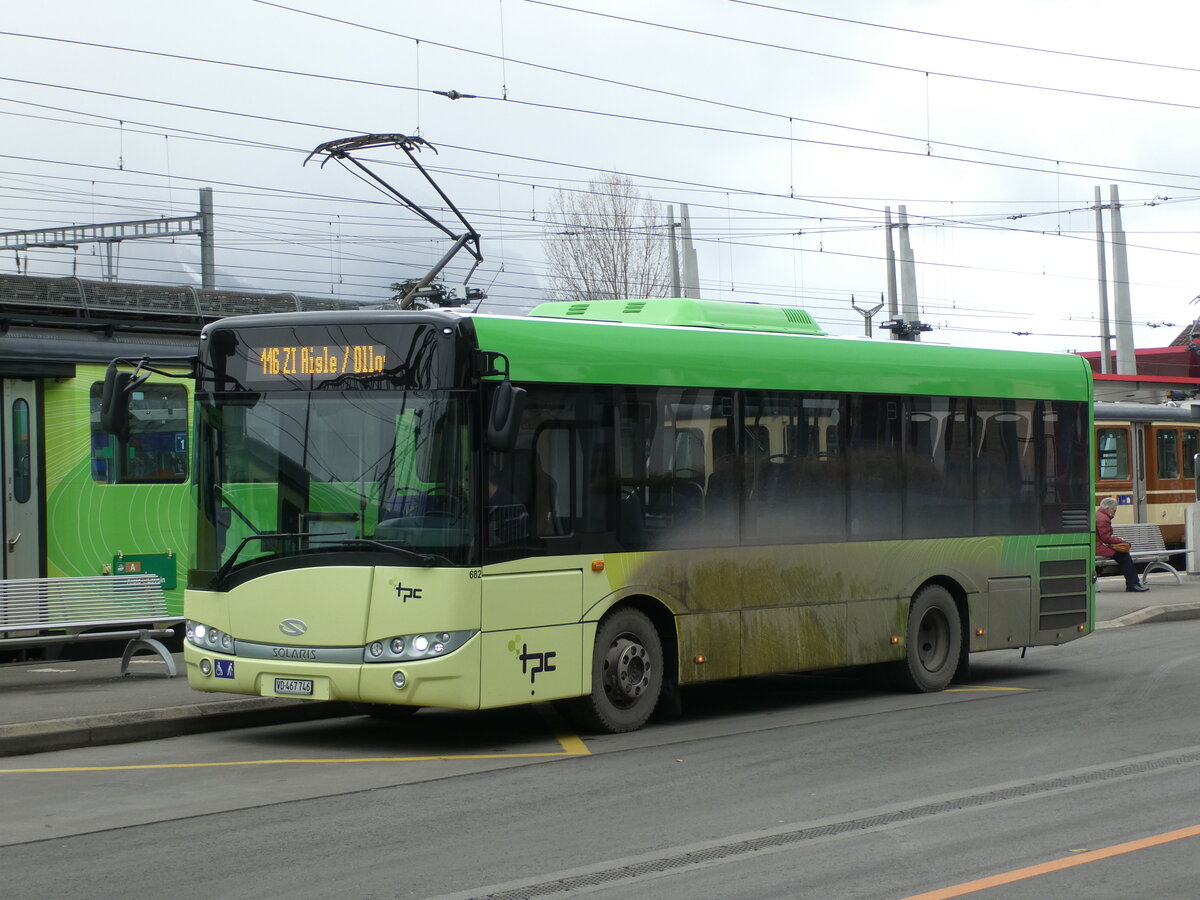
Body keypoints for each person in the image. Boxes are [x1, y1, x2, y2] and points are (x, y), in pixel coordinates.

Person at [1096, 496, 1147, 593]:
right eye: (1114, 510)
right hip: (1098, 547)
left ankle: (1134, 583)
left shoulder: (1099, 515)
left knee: (1124, 556)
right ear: (1108, 508)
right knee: (1124, 557)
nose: (1114, 512)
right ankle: (1132, 584)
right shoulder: (1103, 519)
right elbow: (1106, 538)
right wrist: (1121, 541)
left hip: (1099, 545)